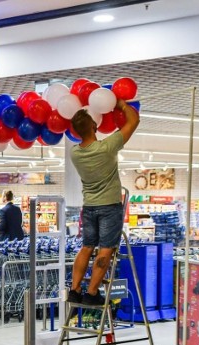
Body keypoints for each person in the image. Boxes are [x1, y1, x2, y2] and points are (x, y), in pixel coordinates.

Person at [67, 99, 139, 306]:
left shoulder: (75, 153)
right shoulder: (107, 147)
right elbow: (134, 121)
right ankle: (91, 293)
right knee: (105, 249)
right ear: (94, 126)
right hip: (109, 207)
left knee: (87, 247)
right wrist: (121, 105)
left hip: (88, 207)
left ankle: (74, 289)